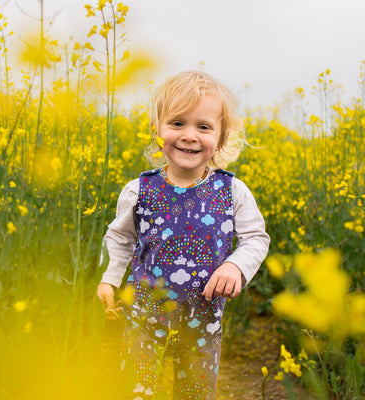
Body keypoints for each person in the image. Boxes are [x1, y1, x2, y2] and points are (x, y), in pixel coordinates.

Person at [96, 70, 270, 400]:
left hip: (203, 320)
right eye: (177, 123)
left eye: (203, 127)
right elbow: (120, 239)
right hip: (143, 317)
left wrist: (235, 267)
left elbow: (256, 238)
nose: (189, 135)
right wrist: (110, 278)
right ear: (157, 130)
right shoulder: (139, 190)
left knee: (194, 394)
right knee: (136, 392)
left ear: (220, 138)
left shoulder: (232, 190)